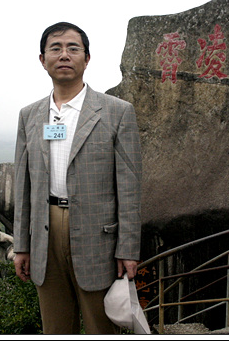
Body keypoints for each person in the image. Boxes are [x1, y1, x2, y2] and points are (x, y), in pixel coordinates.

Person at [13, 22, 143, 334]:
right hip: (44, 233)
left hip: (98, 237)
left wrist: (128, 248)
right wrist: (21, 245)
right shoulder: (30, 115)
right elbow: (22, 184)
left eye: (73, 48)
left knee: (101, 325)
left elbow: (129, 187)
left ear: (87, 58)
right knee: (55, 326)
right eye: (55, 48)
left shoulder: (116, 112)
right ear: (42, 59)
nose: (64, 55)